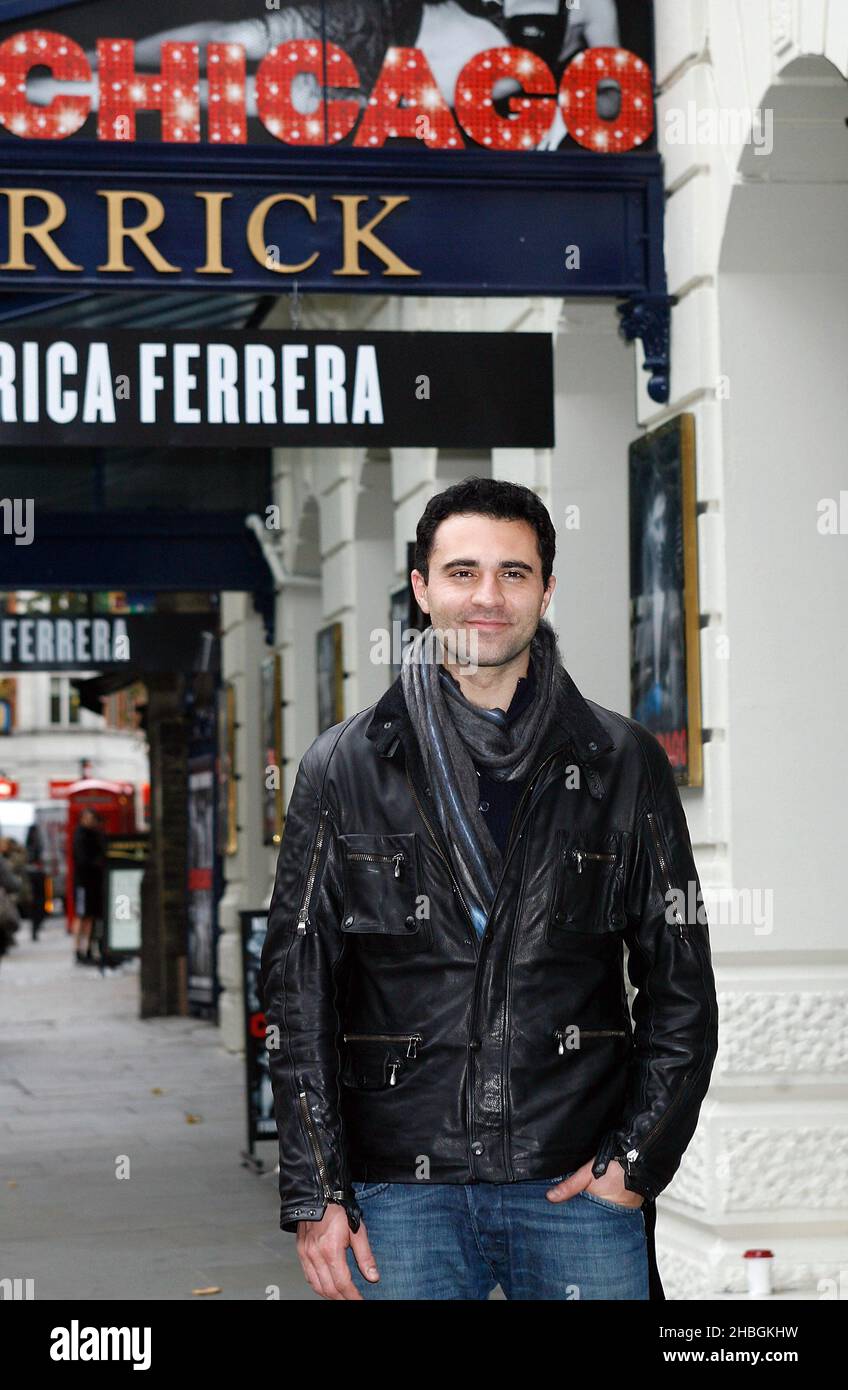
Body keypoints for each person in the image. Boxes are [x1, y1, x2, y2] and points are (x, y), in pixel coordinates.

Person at [259, 477, 719, 1301]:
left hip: (575, 1184)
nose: (488, 597)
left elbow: (681, 985)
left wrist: (634, 1163)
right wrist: (317, 1190)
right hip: (401, 1189)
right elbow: (298, 994)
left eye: (514, 573)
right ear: (423, 589)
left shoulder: (620, 762)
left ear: (546, 588)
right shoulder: (346, 766)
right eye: (463, 571)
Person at [72, 809, 106, 966]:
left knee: (90, 918)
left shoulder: (96, 834)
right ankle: (79, 950)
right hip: (83, 883)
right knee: (82, 916)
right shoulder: (80, 836)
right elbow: (82, 860)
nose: (89, 821)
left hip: (94, 883)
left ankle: (88, 949)